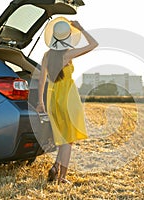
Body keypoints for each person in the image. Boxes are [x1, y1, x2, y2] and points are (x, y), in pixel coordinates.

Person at [36, 17, 98, 184]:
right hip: (68, 99)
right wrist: (81, 27)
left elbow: (41, 80)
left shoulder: (46, 56)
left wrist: (40, 103)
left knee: (64, 138)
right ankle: (62, 177)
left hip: (52, 99)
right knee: (68, 140)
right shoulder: (68, 54)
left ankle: (56, 167)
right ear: (67, 37)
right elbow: (94, 44)